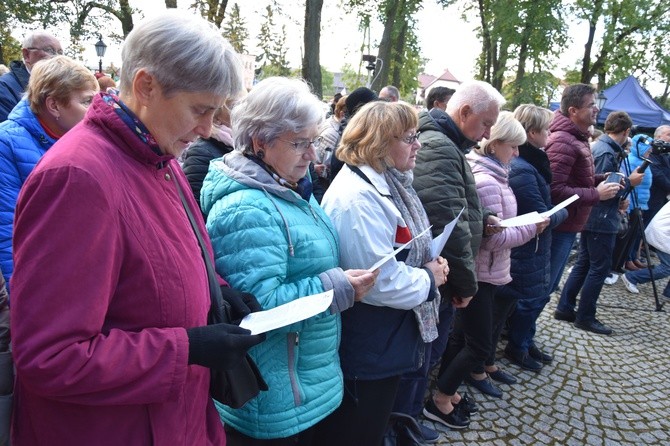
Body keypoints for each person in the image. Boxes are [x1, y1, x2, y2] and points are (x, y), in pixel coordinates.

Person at [9, 12, 265, 445]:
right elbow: (49, 356)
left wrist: (214, 289)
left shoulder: (156, 155)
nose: (207, 128)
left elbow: (160, 259)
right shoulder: (78, 176)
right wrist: (188, 348)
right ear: (146, 86)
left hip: (171, 419)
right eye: (200, 109)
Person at [201, 76, 377, 445]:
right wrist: (336, 287)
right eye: (300, 143)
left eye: (313, 141)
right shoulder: (248, 207)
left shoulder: (286, 187)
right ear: (260, 141)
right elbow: (256, 309)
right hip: (276, 393)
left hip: (301, 378)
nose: (313, 154)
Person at [317, 100, 448, 445]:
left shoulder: (386, 183)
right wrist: (429, 278)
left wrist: (431, 264)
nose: (418, 145)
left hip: (383, 337)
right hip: (370, 341)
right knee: (360, 429)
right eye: (408, 138)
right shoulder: (360, 198)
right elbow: (377, 281)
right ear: (378, 143)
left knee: (373, 422)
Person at [412, 80, 504, 431]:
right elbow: (447, 219)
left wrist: (486, 217)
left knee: (429, 354)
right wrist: (466, 284)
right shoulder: (441, 146)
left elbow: (464, 203)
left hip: (443, 272)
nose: (488, 133)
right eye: (485, 123)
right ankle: (412, 416)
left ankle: (413, 412)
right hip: (442, 273)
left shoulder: (448, 143)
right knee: (425, 355)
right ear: (464, 112)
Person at [463, 111, 545, 398]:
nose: (518, 152)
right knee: (479, 333)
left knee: (492, 325)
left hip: (495, 268)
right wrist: (532, 228)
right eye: (513, 146)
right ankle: (474, 371)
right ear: (495, 144)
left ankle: (485, 365)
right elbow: (493, 239)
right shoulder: (487, 179)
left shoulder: (501, 172)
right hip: (486, 268)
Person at [0, 55, 98, 292]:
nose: (94, 110)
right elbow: (7, 232)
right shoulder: (6, 144)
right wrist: (24, 305)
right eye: (86, 101)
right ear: (53, 105)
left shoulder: (80, 137)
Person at [555, 111, 641, 335]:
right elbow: (600, 190)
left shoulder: (604, 148)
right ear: (626, 131)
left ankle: (565, 307)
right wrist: (629, 184)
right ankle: (585, 316)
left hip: (596, 216)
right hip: (599, 219)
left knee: (585, 264)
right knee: (599, 267)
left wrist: (619, 197)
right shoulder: (605, 151)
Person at [499, 104, 568, 371]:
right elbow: (539, 215)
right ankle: (518, 345)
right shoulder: (524, 168)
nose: (550, 135)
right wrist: (564, 211)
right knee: (528, 297)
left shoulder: (531, 163)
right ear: (531, 132)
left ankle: (523, 340)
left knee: (527, 297)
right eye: (546, 130)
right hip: (528, 246)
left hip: (531, 245)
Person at [547, 84, 621, 325]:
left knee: (548, 289)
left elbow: (572, 180)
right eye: (591, 105)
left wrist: (600, 179)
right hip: (561, 225)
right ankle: (520, 343)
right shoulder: (564, 141)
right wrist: (596, 193)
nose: (597, 109)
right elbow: (555, 190)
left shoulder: (577, 138)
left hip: (570, 225)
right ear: (573, 110)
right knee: (542, 289)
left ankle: (523, 341)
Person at [182, 94, 242, 211]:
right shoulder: (201, 151)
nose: (241, 113)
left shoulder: (238, 147)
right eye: (234, 107)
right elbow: (194, 209)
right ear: (217, 116)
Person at [0, 30, 62, 122]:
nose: (57, 57)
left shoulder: (62, 85)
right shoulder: (4, 87)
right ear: (26, 55)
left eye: (60, 52)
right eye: (49, 50)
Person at [621, 200, 670, 298]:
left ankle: (668, 293)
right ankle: (632, 277)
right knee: (667, 267)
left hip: (662, 230)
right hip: (662, 232)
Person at [622, 134, 653, 271]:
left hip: (640, 202)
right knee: (628, 235)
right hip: (633, 203)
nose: (650, 150)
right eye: (648, 147)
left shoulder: (642, 160)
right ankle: (625, 259)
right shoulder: (632, 161)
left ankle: (631, 258)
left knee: (635, 235)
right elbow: (629, 182)